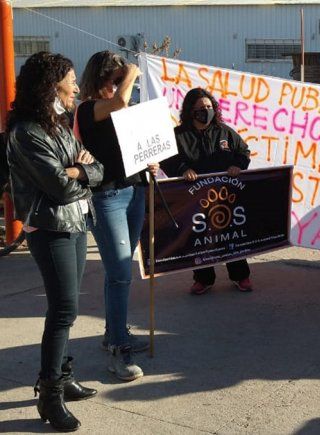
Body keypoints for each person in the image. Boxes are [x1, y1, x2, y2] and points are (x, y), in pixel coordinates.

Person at [7, 51, 104, 432]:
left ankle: (64, 377)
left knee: (70, 308)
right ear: (51, 86)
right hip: (51, 229)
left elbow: (97, 169)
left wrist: (78, 168)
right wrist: (79, 172)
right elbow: (61, 189)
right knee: (63, 311)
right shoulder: (26, 132)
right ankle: (49, 396)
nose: (77, 86)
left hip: (76, 223)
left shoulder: (59, 125)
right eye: (71, 79)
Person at [77, 50, 158, 381]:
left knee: (118, 272)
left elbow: (135, 143)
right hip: (107, 195)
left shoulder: (120, 109)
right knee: (121, 272)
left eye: (120, 82)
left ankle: (114, 333)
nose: (120, 88)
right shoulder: (88, 109)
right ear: (101, 81)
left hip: (135, 189)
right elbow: (120, 103)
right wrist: (132, 73)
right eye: (114, 82)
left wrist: (150, 161)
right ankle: (118, 351)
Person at [160, 87, 253, 294]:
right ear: (190, 111)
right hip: (195, 197)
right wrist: (183, 169)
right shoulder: (178, 135)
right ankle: (203, 278)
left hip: (225, 195)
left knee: (231, 235)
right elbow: (167, 158)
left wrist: (238, 165)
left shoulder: (225, 131)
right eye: (201, 108)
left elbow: (243, 151)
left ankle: (241, 275)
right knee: (200, 237)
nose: (206, 111)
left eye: (209, 107)